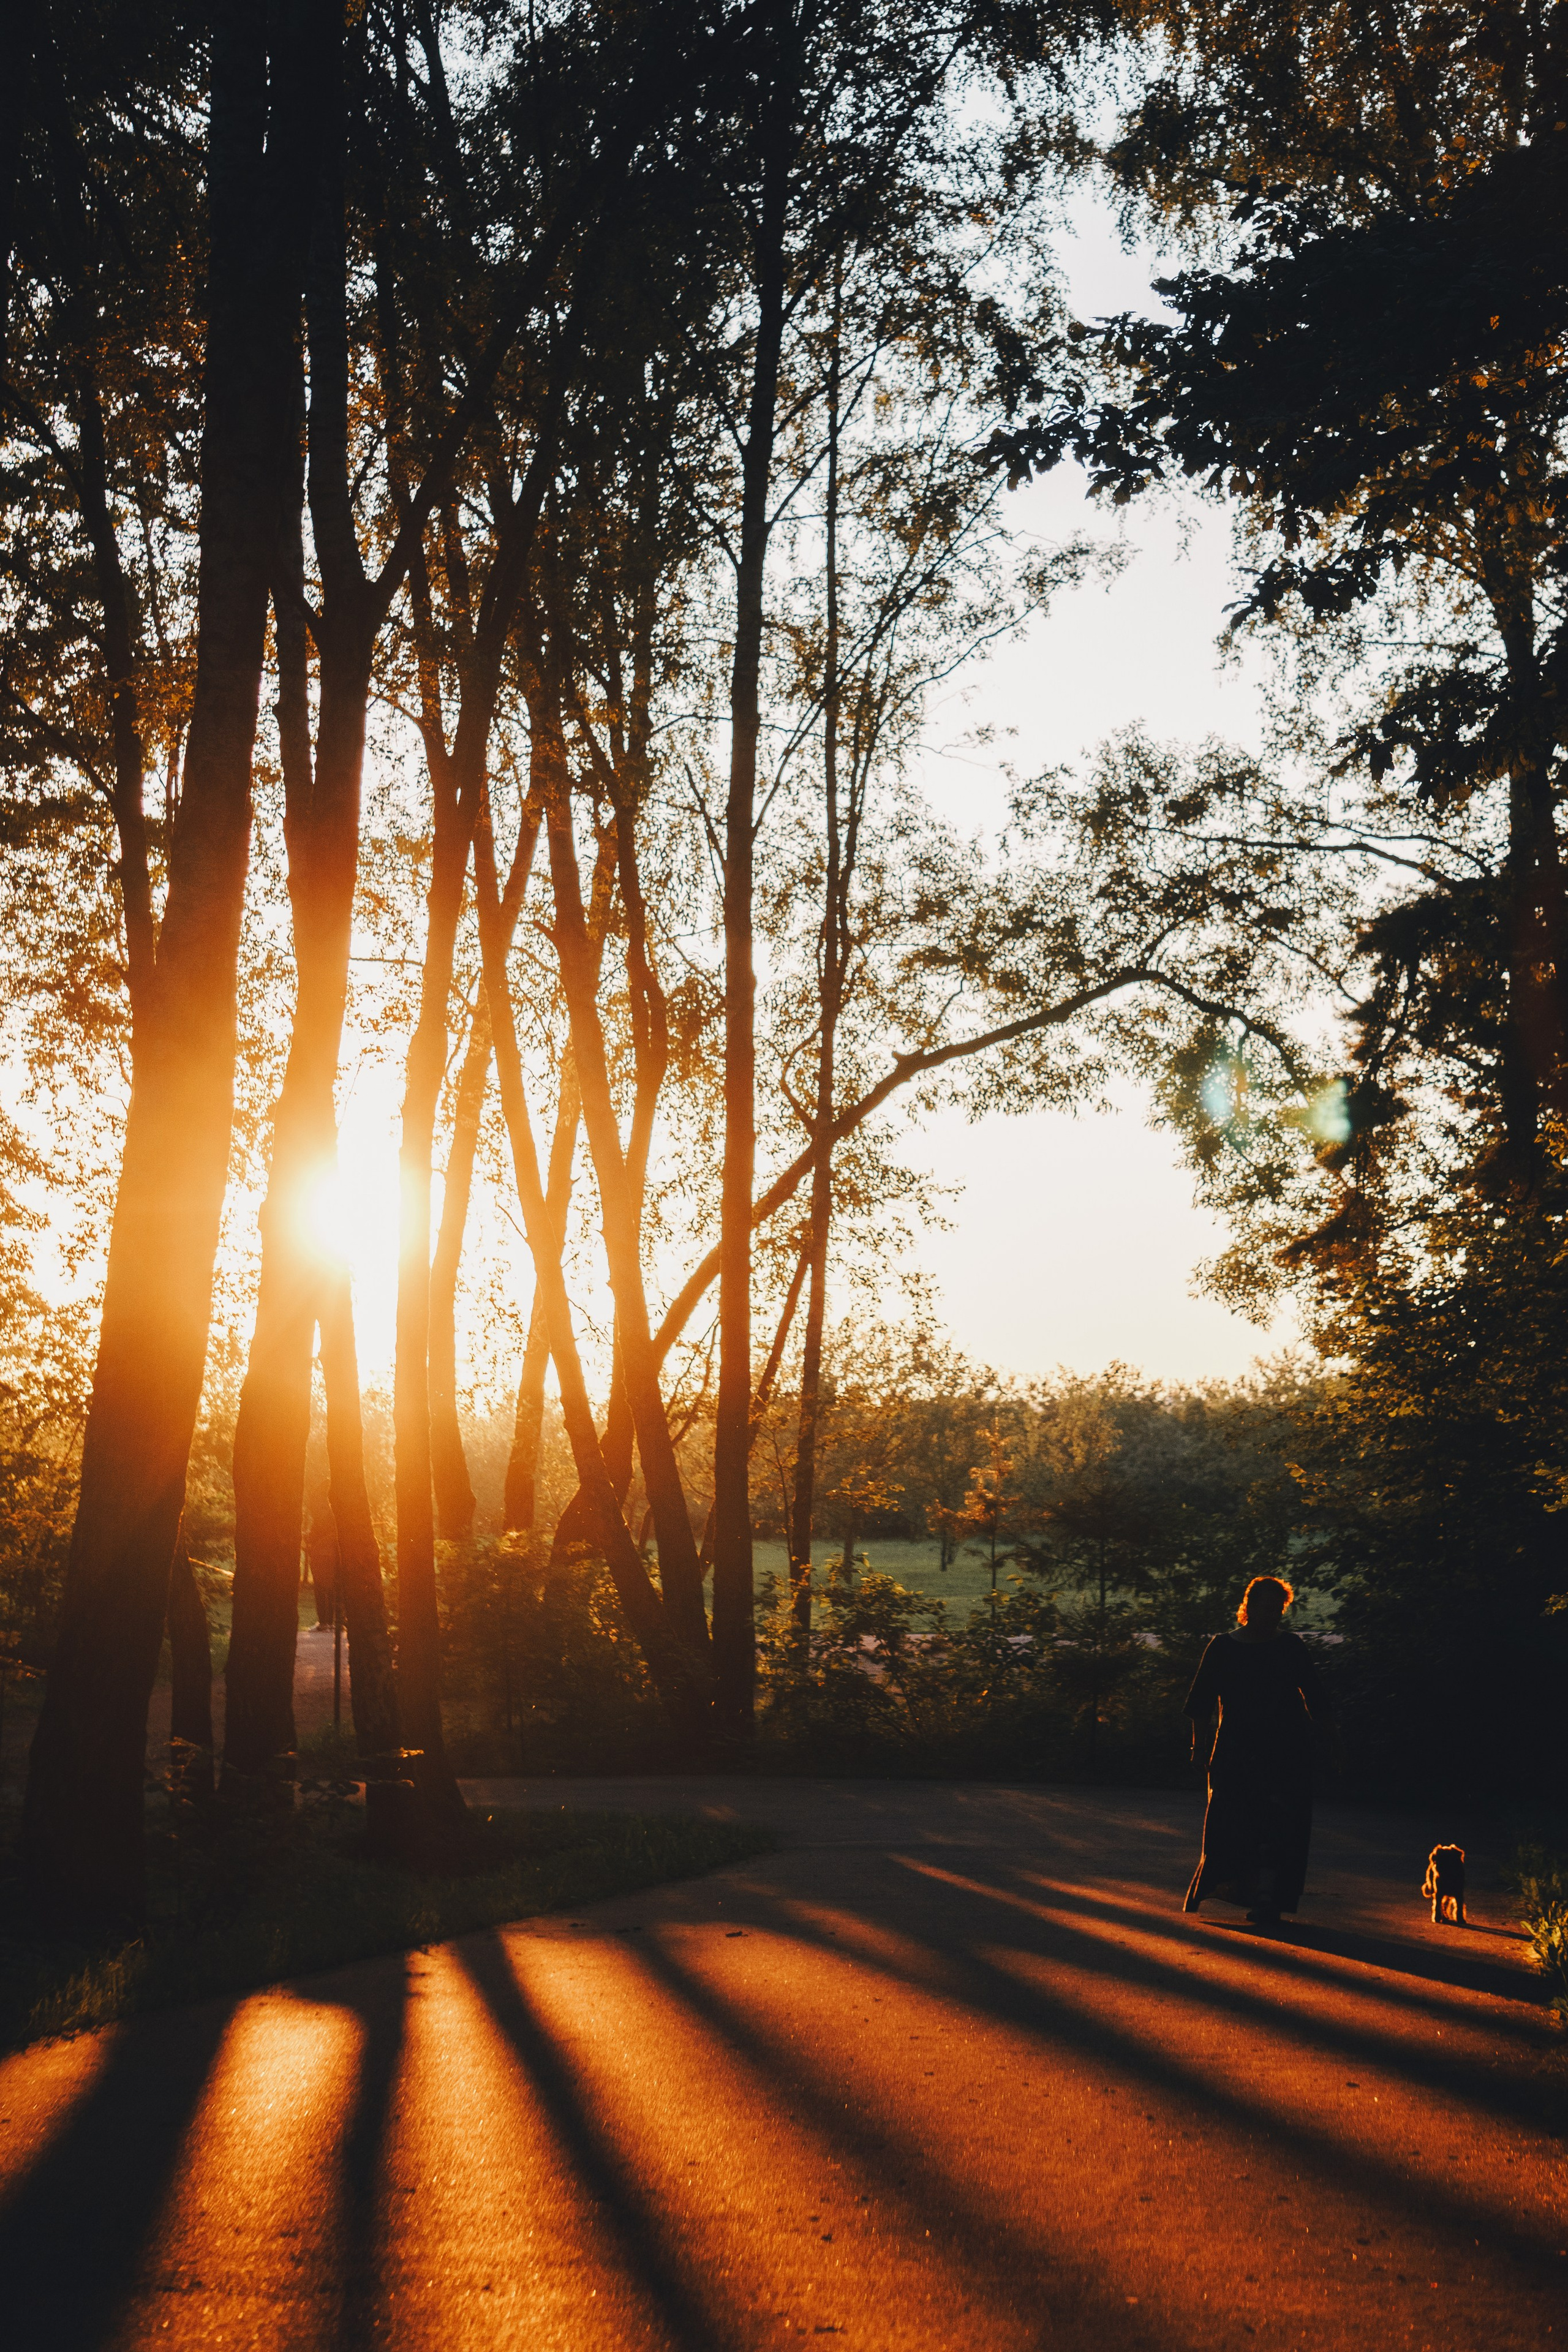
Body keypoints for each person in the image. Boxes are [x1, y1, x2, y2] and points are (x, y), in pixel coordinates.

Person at [1182, 1574, 1328, 1926]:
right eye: (1266, 1608)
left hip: (1285, 1750)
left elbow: (1317, 1699)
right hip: (1236, 1750)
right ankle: (1242, 1888)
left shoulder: (1290, 1646)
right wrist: (1199, 1749)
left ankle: (1268, 1897)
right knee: (1234, 1824)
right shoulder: (1223, 1647)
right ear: (1248, 1608)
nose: (1273, 1615)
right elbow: (1200, 1704)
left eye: (1279, 1609)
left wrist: (1330, 1743)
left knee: (1278, 1824)